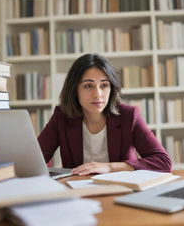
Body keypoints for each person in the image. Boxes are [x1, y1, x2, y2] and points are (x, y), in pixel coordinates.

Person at [38, 53, 172, 175]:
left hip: (122, 190)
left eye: (104, 85)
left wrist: (110, 167)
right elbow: (33, 161)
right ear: (75, 90)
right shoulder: (62, 117)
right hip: (78, 192)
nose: (98, 94)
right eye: (88, 86)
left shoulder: (129, 116)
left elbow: (163, 162)